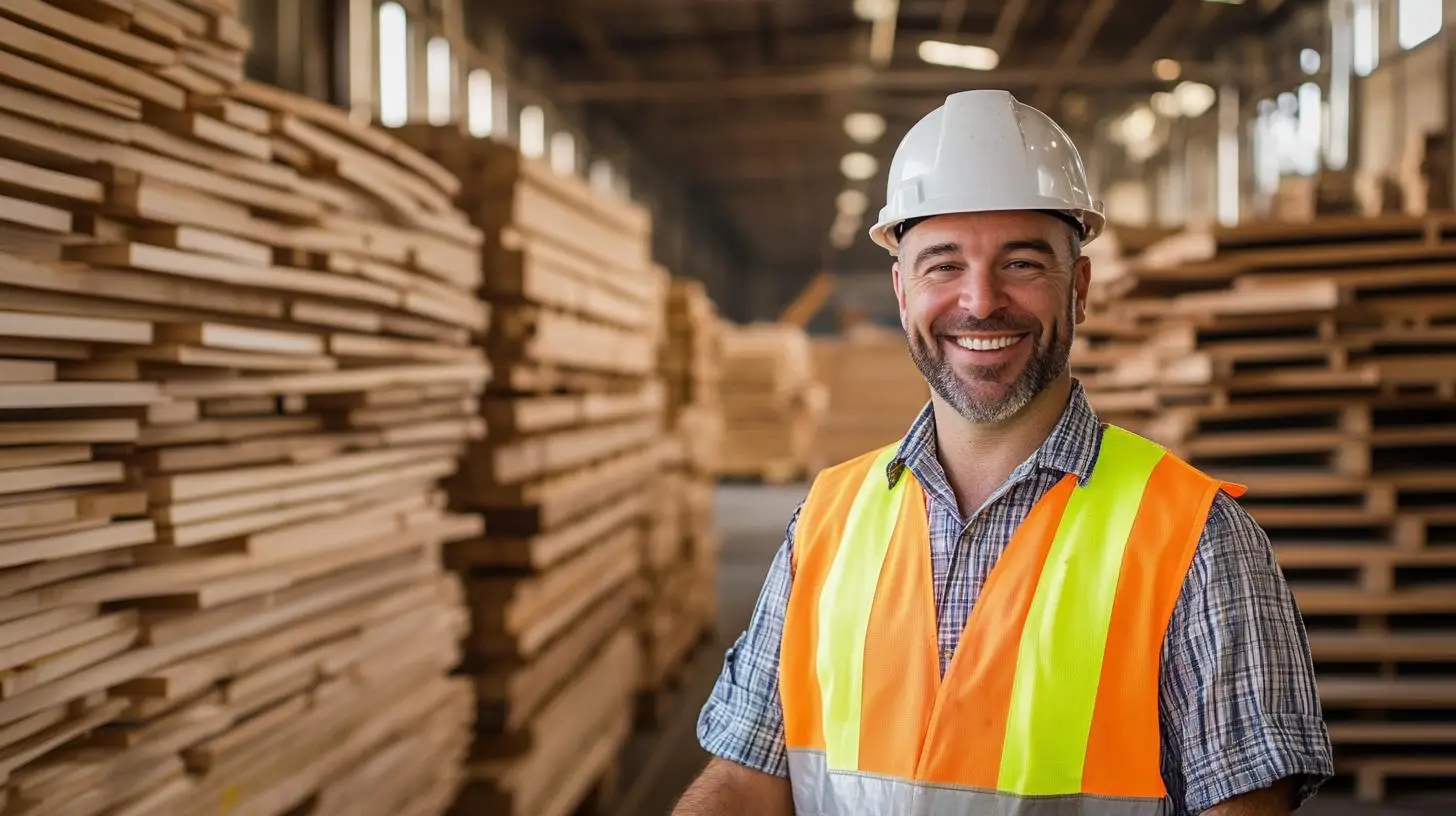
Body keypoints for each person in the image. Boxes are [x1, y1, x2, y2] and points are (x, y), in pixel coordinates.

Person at [672, 90, 1334, 816]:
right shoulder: (826, 524)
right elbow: (742, 781)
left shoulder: (1199, 543)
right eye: (943, 265)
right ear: (901, 292)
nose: (980, 301)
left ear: (1078, 288)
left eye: (1021, 263)